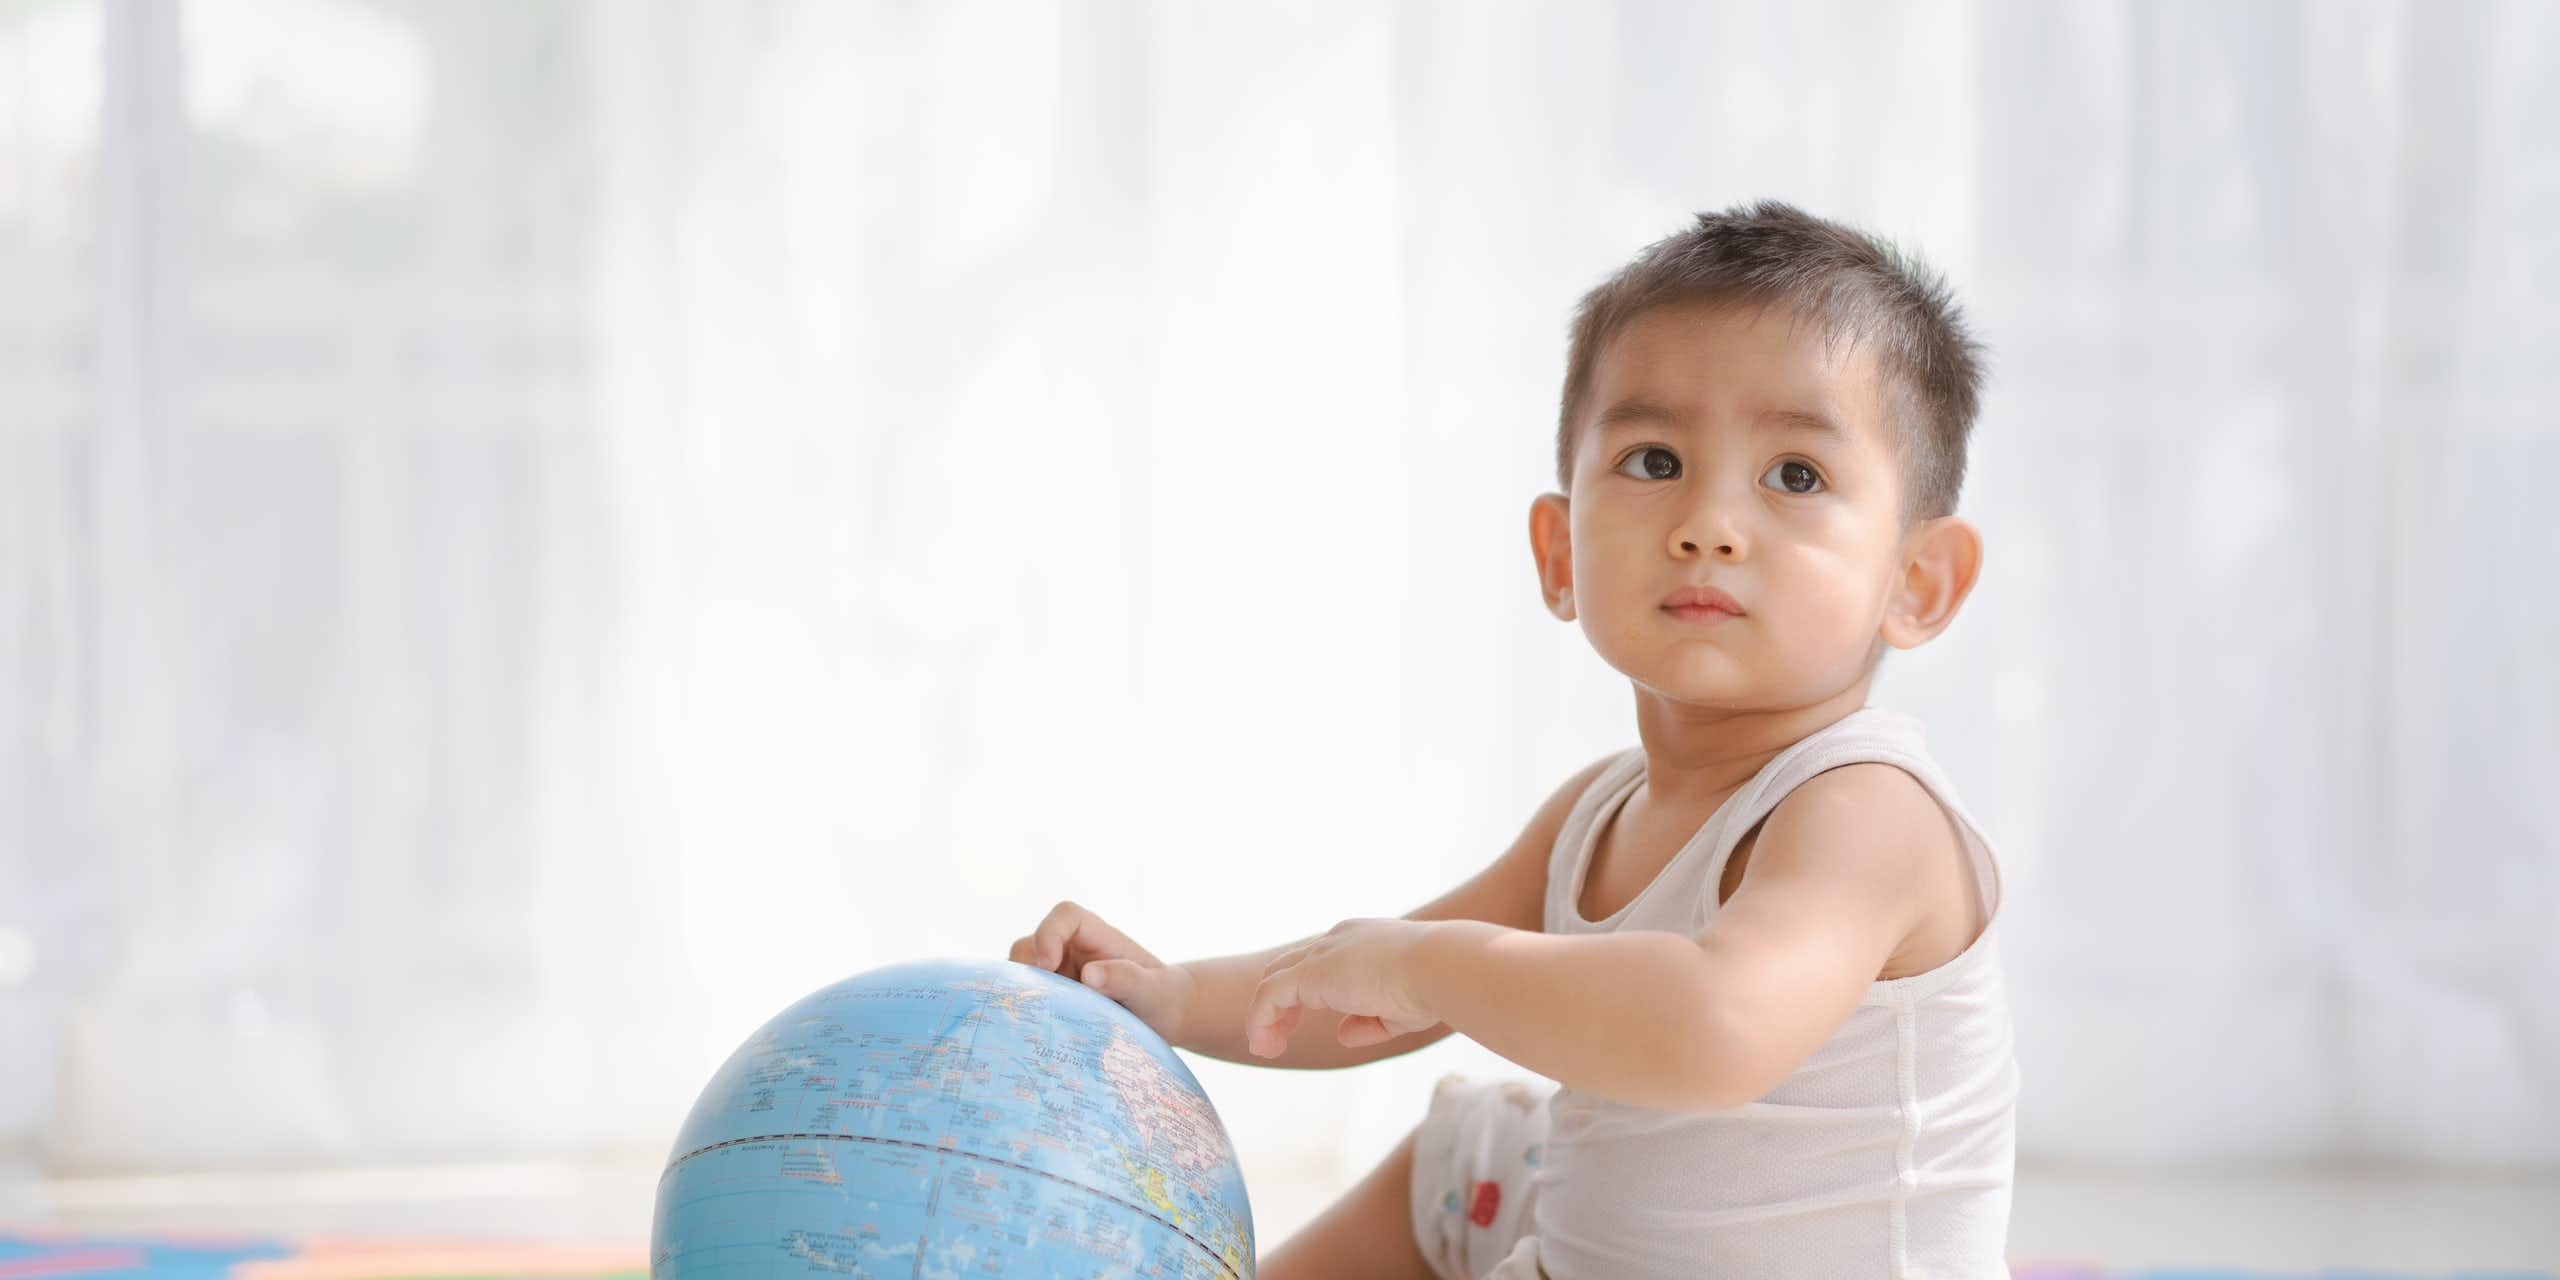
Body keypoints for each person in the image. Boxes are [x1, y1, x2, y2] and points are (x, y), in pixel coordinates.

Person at [1007, 200, 2016, 1279]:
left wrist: (1435, 965)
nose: (1708, 520)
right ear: (1559, 553)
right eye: (1653, 458)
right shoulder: (1596, 813)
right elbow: (1364, 989)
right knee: (1471, 1145)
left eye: (1795, 476)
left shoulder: (1866, 812)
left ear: (1914, 583)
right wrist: (1166, 995)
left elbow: (1716, 1024)